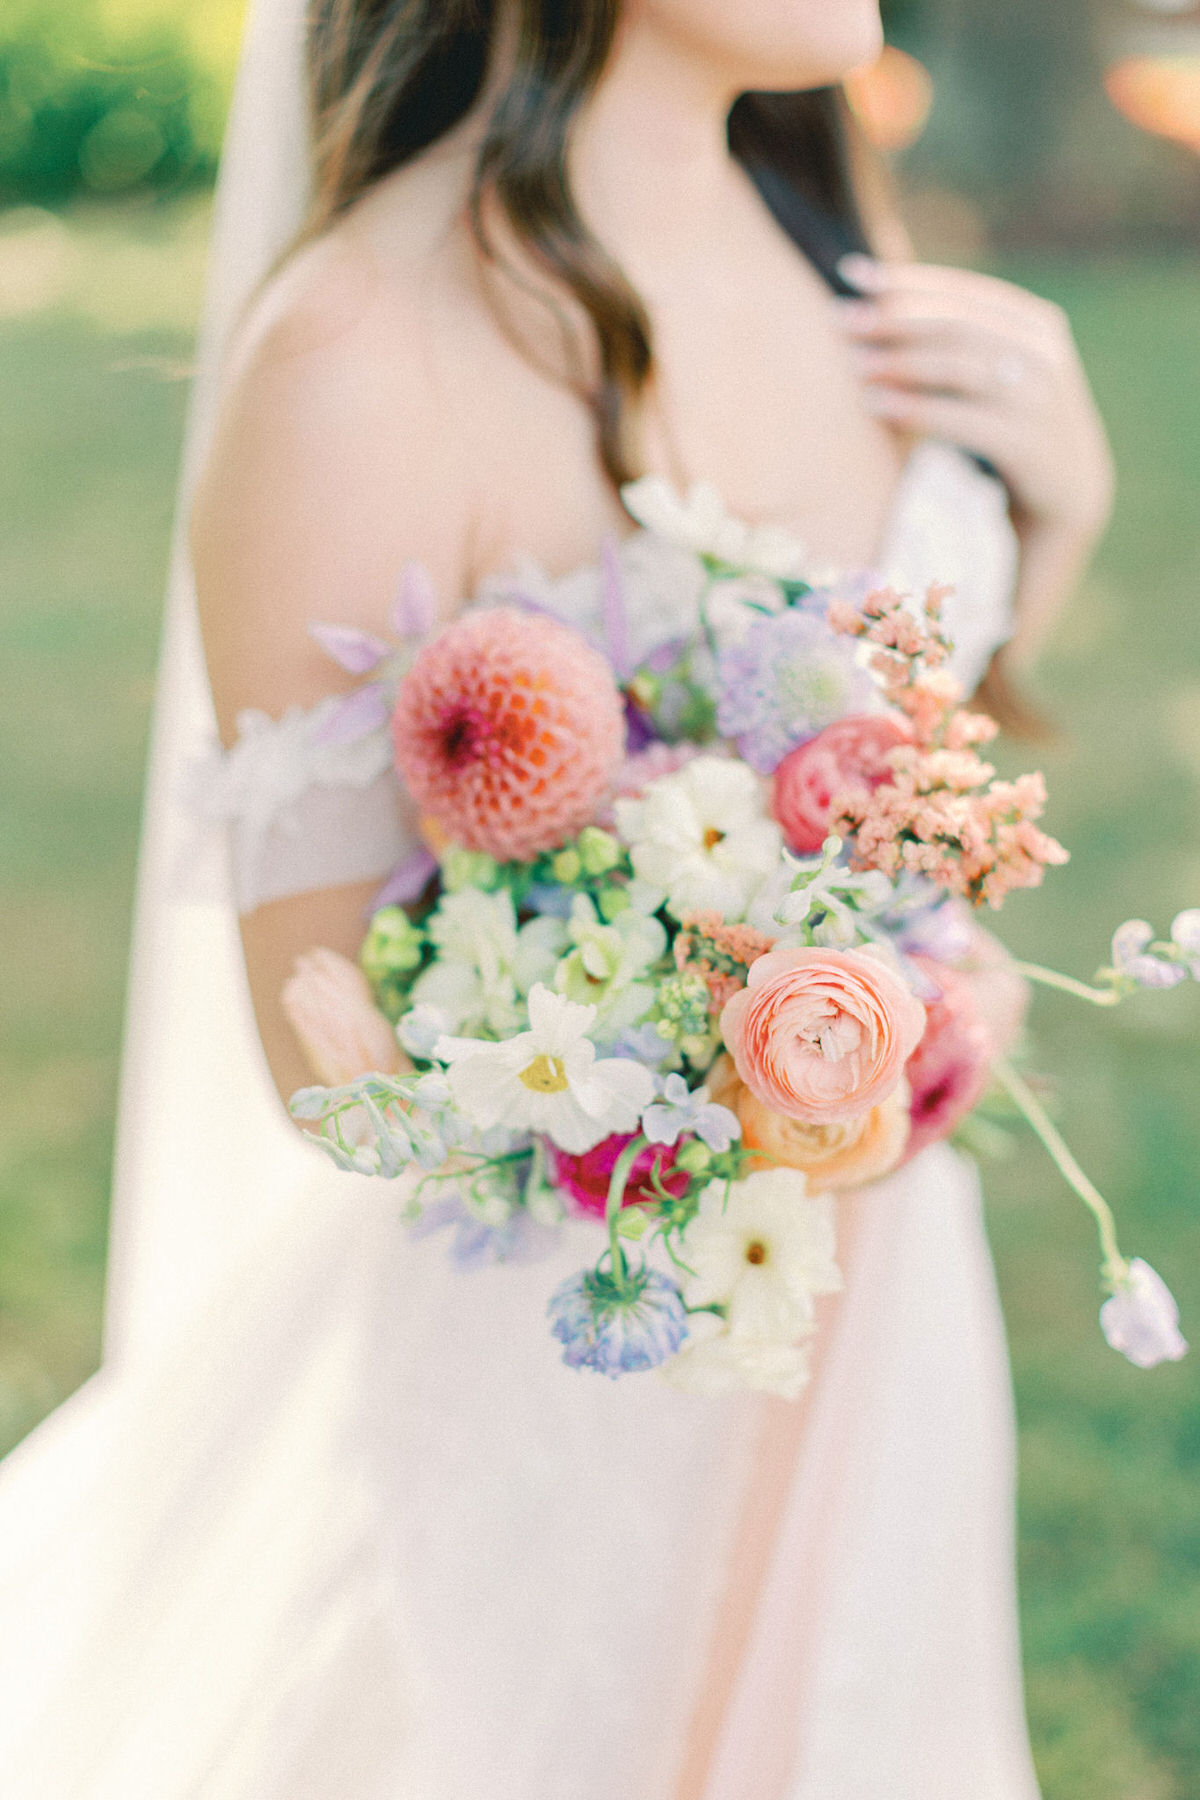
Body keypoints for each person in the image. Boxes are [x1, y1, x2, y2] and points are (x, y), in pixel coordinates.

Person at [0, 2, 1115, 1796]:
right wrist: (725, 1018)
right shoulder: (361, 351)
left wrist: (1056, 512)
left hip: (886, 1304)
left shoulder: (838, 255)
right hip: (561, 1383)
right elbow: (328, 1065)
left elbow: (915, 769)